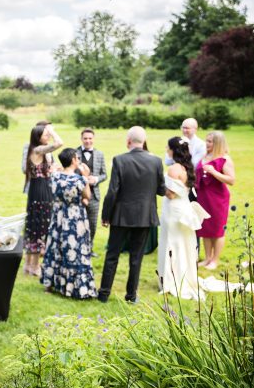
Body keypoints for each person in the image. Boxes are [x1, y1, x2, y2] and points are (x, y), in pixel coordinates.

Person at [97, 126, 165, 304]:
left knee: (112, 255)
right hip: (144, 216)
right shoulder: (156, 161)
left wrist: (106, 215)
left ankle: (104, 293)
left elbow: (112, 191)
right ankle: (131, 295)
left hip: (121, 216)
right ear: (144, 141)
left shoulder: (119, 160)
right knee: (137, 258)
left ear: (128, 141)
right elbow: (161, 189)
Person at [41, 148, 97, 299]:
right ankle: (73, 286)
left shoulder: (55, 176)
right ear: (73, 160)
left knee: (55, 247)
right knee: (75, 249)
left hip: (58, 215)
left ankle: (50, 283)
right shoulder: (79, 179)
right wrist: (85, 177)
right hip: (74, 218)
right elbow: (87, 196)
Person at [158, 137, 210, 300]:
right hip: (184, 207)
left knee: (171, 242)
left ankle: (171, 279)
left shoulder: (174, 168)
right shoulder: (188, 167)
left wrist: (157, 183)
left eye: (168, 147)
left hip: (174, 210)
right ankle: (184, 275)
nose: (167, 149)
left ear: (173, 150)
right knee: (183, 243)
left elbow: (171, 194)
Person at [23, 123, 63, 276]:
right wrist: (52, 131)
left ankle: (28, 265)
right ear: (38, 137)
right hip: (41, 191)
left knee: (35, 227)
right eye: (45, 135)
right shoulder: (37, 149)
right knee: (39, 228)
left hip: (38, 188)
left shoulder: (37, 150)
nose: (48, 137)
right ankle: (35, 266)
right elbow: (59, 143)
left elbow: (44, 168)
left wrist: (54, 169)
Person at [196, 131, 235, 270]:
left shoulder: (225, 159)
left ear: (218, 143)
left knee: (217, 230)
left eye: (210, 141)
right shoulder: (205, 156)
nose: (206, 144)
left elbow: (231, 180)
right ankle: (207, 258)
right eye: (206, 141)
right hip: (203, 198)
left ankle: (215, 260)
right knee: (205, 228)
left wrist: (214, 172)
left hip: (218, 199)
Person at [75, 128, 107, 252]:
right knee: (78, 222)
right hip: (78, 194)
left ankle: (89, 248)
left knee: (92, 224)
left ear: (93, 139)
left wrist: (96, 179)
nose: (88, 141)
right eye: (85, 138)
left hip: (94, 195)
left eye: (90, 138)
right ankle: (78, 247)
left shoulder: (100, 154)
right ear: (81, 139)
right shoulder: (75, 153)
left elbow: (105, 174)